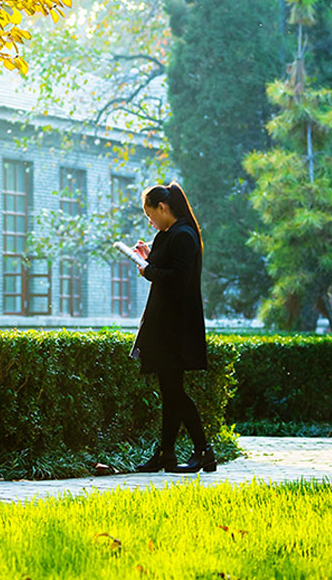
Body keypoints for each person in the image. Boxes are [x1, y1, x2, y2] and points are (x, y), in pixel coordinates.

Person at [130, 182, 215, 474]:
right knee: (170, 390)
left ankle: (203, 450)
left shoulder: (184, 235)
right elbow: (162, 266)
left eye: (149, 213)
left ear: (163, 208)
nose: (149, 220)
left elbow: (178, 279)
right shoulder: (168, 235)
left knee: (174, 391)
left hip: (177, 326)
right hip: (165, 324)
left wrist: (148, 270)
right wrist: (146, 255)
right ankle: (166, 454)